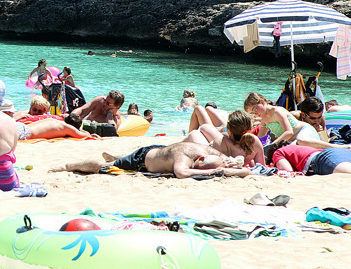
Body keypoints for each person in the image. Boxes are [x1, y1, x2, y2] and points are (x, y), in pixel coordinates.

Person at [52, 141, 252, 178]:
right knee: (105, 168)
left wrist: (236, 164)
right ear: (199, 159)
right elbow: (182, 173)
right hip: (142, 159)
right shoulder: (183, 157)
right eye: (197, 165)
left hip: (159, 152)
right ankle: (70, 165)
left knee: (117, 160)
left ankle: (117, 155)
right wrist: (210, 172)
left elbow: (246, 170)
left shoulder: (211, 152)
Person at [183, 109, 265, 167]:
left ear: (229, 130)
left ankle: (177, 147)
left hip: (208, 149)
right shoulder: (255, 142)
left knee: (195, 133)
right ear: (250, 128)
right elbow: (261, 166)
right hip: (231, 146)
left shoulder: (221, 142)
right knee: (205, 127)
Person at [272, 143, 351, 175]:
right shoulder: (294, 147)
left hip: (324, 159)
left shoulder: (278, 152)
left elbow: (288, 172)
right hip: (340, 152)